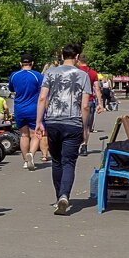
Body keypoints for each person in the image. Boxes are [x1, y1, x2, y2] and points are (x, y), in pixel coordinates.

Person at [35, 43, 93, 216]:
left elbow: (42, 97)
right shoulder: (83, 76)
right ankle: (65, 195)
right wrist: (84, 128)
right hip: (73, 123)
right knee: (69, 162)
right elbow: (85, 106)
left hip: (53, 122)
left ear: (62, 55)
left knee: (57, 161)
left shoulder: (50, 73)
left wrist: (39, 121)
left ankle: (58, 195)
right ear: (76, 57)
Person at [8, 55, 45, 170]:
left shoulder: (14, 75)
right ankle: (31, 155)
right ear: (32, 63)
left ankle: (25, 160)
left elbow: (12, 89)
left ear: (20, 63)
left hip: (19, 108)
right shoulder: (37, 75)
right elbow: (42, 91)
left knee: (23, 135)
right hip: (33, 108)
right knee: (35, 134)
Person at [74, 50, 102, 155]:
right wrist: (100, 103)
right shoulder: (93, 73)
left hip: (76, 101)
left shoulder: (75, 72)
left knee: (75, 124)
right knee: (86, 126)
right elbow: (97, 88)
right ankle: (84, 146)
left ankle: (74, 145)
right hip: (89, 101)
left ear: (78, 61)